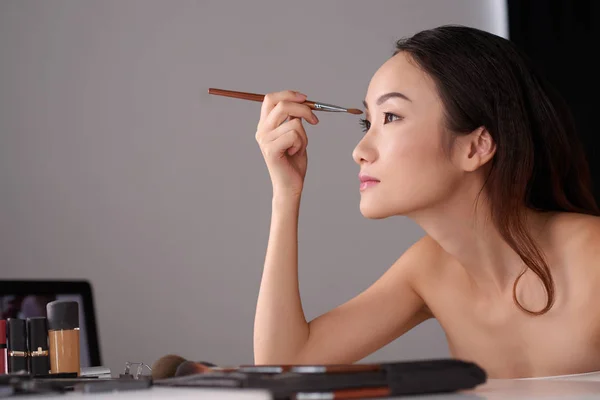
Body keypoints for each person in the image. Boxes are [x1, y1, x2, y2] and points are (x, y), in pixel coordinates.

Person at [252, 25, 600, 379]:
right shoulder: (429, 271)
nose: (360, 152)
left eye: (391, 117)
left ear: (476, 147)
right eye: (367, 123)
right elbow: (283, 364)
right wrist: (286, 193)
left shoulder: (592, 257)